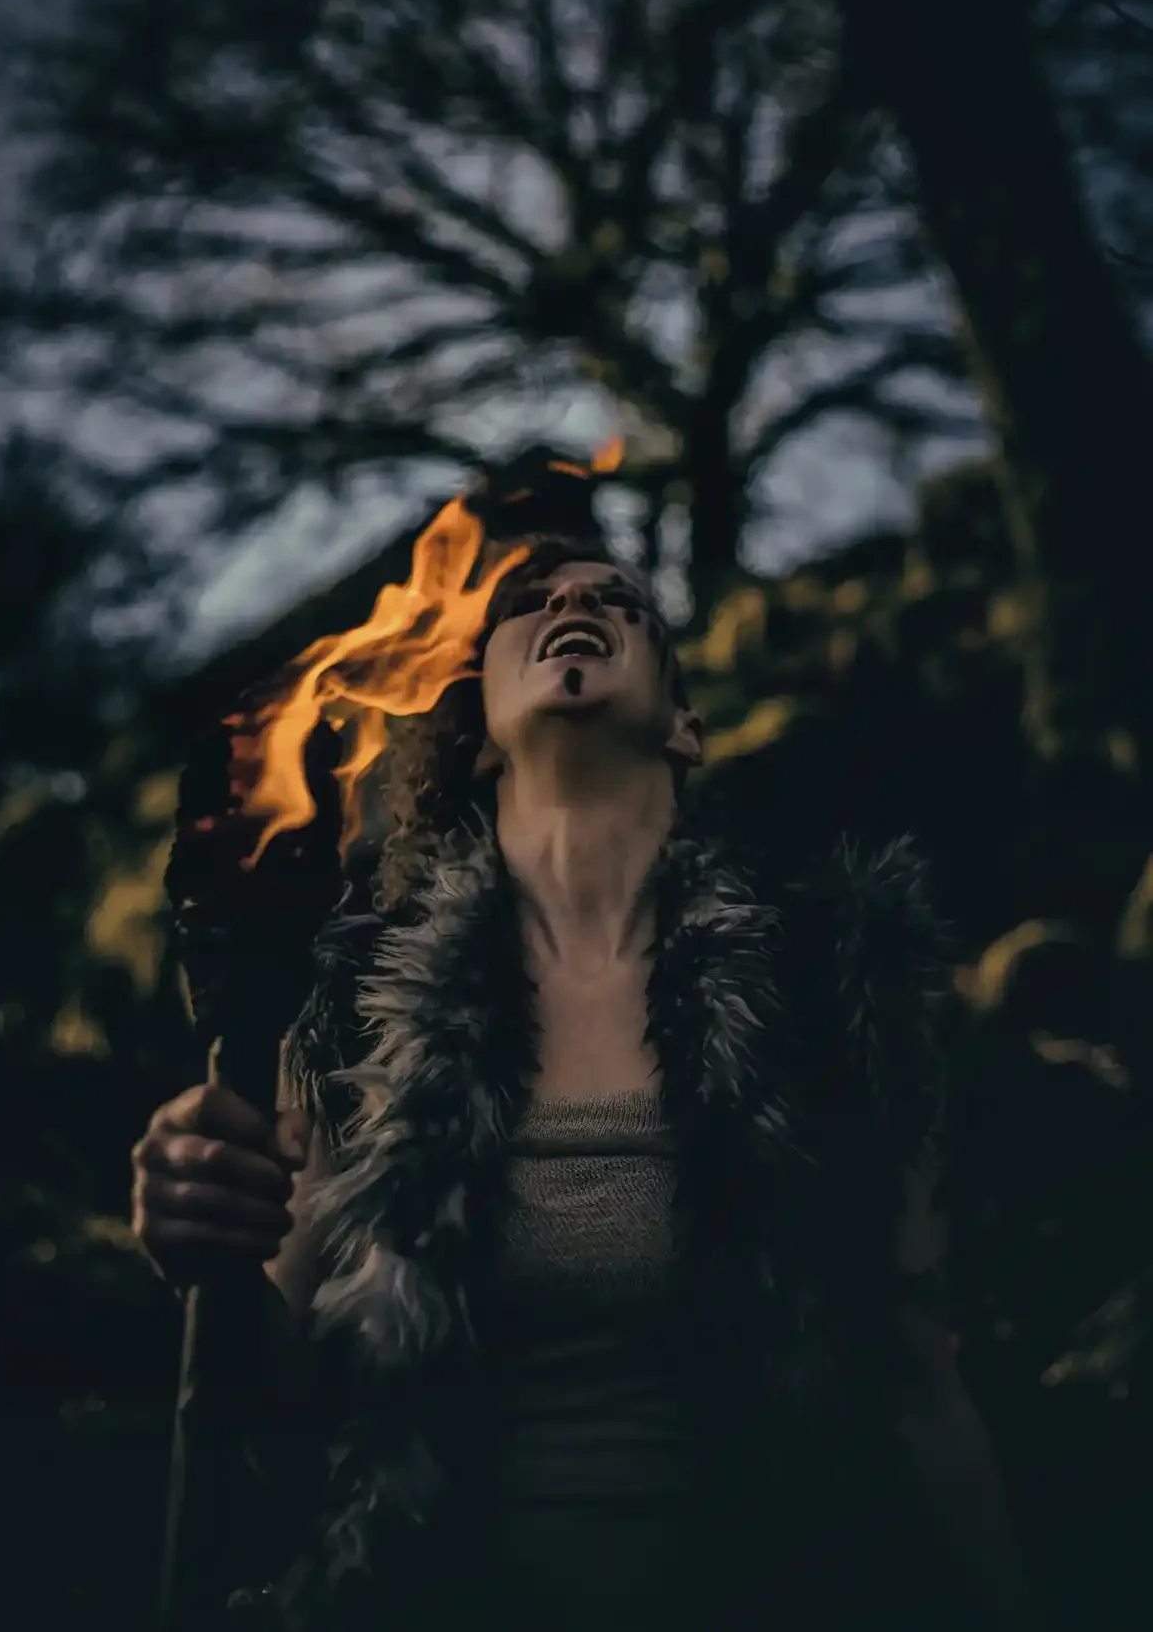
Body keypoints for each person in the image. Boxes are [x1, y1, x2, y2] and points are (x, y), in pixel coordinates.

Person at [132, 536, 1032, 1632]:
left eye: (621, 600)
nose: (576, 604)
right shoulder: (351, 1013)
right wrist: (209, 1250)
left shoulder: (833, 987)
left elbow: (917, 1383)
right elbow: (275, 1409)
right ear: (477, 737)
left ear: (684, 724)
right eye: (534, 603)